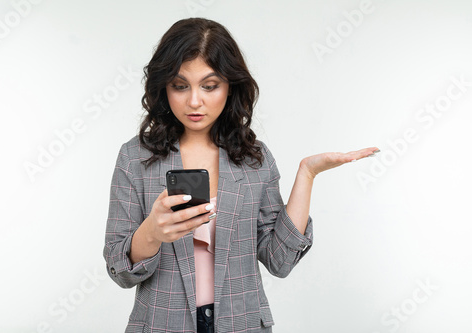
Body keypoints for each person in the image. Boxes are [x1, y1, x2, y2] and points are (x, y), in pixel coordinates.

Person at [103, 17, 379, 333]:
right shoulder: (135, 158)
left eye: (209, 86)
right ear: (163, 86)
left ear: (230, 86)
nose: (195, 101)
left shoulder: (253, 159)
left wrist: (307, 174)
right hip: (161, 325)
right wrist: (151, 231)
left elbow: (280, 261)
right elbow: (120, 271)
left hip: (243, 325)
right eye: (180, 86)